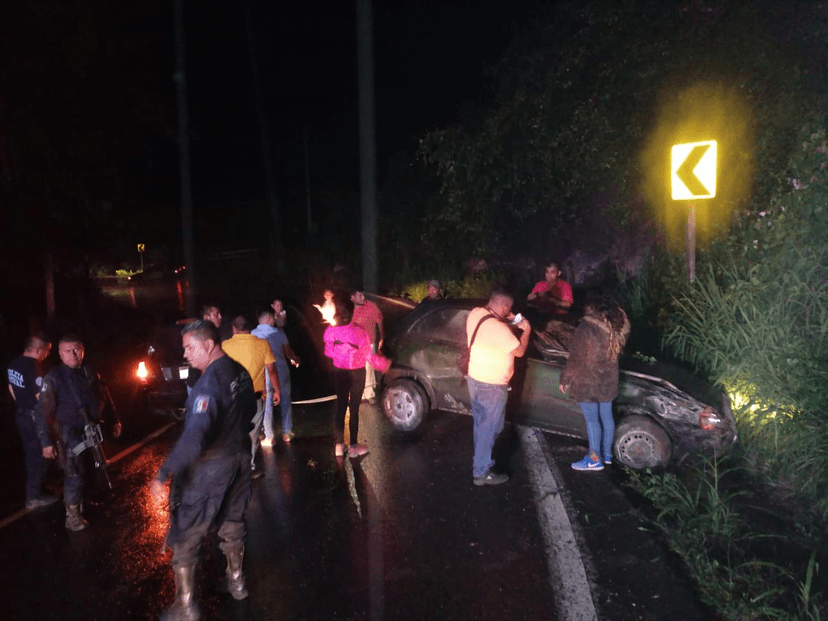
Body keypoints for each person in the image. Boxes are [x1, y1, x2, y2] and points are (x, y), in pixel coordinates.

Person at [151, 320, 257, 621]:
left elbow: (195, 436)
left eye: (189, 347)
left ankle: (185, 607)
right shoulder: (239, 372)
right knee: (232, 520)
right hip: (240, 458)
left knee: (186, 533)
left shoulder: (208, 383)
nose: (186, 354)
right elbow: (249, 410)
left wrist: (164, 471)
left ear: (209, 345)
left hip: (212, 466)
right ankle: (237, 583)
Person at [38, 334, 122, 530]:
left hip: (91, 430)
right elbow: (43, 413)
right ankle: (72, 516)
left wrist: (115, 420)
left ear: (82, 349)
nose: (73, 354)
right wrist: (46, 442)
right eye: (68, 351)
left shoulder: (89, 371)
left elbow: (105, 396)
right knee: (74, 474)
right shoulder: (54, 378)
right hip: (68, 434)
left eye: (76, 349)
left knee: (93, 468)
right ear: (60, 353)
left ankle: (83, 501)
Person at [466, 287, 531, 486]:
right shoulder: (499, 329)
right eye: (508, 308)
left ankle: (479, 460)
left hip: (474, 379)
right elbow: (519, 351)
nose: (508, 311)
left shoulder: (476, 313)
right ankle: (481, 471)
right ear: (503, 305)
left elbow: (493, 327)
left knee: (481, 425)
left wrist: (506, 318)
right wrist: (526, 330)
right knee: (491, 427)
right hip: (492, 386)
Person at [559, 291, 630, 471]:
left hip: (588, 381)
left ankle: (593, 459)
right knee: (607, 417)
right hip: (609, 379)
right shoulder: (617, 327)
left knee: (592, 421)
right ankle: (606, 455)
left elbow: (576, 357)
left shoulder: (587, 327)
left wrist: (565, 379)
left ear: (592, 307)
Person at [221, 315, 279, 472]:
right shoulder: (262, 344)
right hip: (254, 396)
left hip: (231, 397)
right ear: (250, 328)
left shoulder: (225, 346)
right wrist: (277, 390)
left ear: (234, 328)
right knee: (252, 434)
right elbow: (271, 370)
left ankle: (234, 468)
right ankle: (249, 466)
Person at [7, 334, 57, 509]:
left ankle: (37, 489)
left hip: (21, 414)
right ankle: (34, 496)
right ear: (38, 350)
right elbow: (41, 399)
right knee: (42, 455)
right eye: (46, 351)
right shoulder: (35, 368)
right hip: (35, 418)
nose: (47, 354)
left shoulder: (14, 364)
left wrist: (23, 404)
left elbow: (11, 389)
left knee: (32, 454)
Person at [323, 301, 373, 458]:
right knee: (354, 408)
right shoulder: (360, 331)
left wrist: (341, 353)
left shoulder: (330, 331)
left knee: (341, 406)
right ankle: (353, 447)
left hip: (339, 372)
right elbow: (366, 353)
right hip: (357, 373)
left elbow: (329, 353)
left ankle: (339, 446)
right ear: (352, 314)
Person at [251, 309, 300, 445]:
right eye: (272, 319)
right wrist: (295, 358)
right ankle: (287, 432)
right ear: (269, 320)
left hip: (263, 374)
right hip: (281, 371)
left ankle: (269, 435)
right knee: (285, 400)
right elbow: (287, 351)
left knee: (266, 404)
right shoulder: (279, 333)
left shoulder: (252, 334)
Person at [350, 287, 384, 403]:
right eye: (360, 296)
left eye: (363, 295)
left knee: (369, 368)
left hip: (369, 343)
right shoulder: (350, 310)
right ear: (352, 298)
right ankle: (363, 392)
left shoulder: (371, 306)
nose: (363, 298)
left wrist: (382, 338)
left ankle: (369, 394)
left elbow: (379, 321)